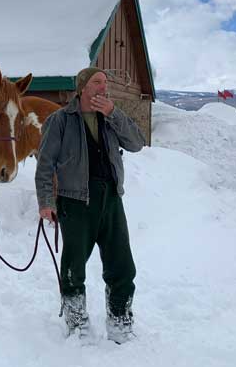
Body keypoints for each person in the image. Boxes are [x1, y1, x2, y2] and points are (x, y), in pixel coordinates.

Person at [35, 67, 145, 344]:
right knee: (73, 268)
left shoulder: (110, 118)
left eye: (105, 83)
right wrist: (46, 201)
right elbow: (45, 165)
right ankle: (76, 322)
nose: (103, 87)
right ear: (82, 87)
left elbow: (137, 144)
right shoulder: (60, 120)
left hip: (111, 200)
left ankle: (120, 321)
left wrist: (114, 113)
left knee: (122, 266)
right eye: (97, 82)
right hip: (75, 202)